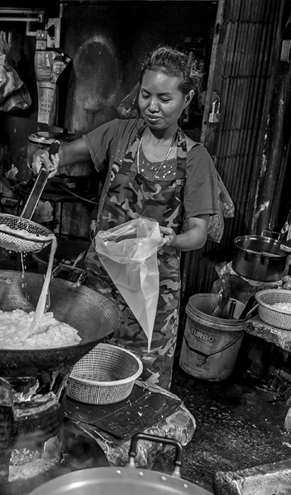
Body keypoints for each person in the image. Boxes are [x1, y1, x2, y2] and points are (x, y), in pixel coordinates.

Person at [31, 46, 220, 389]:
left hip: (152, 291)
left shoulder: (194, 158)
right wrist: (49, 158)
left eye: (165, 98)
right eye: (146, 95)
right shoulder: (120, 133)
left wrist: (170, 238)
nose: (151, 106)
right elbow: (68, 154)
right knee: (85, 360)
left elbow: (198, 233)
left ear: (187, 99)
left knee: (141, 376)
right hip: (100, 277)